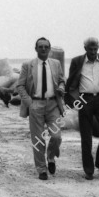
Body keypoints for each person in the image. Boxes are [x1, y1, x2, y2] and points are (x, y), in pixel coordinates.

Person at [66, 37, 99, 180]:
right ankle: (88, 170)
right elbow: (71, 83)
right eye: (90, 49)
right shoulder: (77, 61)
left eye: (95, 49)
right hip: (84, 100)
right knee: (86, 138)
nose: (93, 52)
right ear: (85, 49)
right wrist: (75, 100)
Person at [16, 37, 66, 180]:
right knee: (38, 139)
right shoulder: (28, 65)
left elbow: (62, 80)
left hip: (53, 105)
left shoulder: (56, 64)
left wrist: (61, 88)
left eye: (46, 46)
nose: (43, 49)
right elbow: (19, 85)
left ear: (49, 49)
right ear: (36, 49)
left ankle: (50, 157)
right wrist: (29, 102)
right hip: (36, 104)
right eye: (40, 47)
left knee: (56, 137)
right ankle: (41, 169)